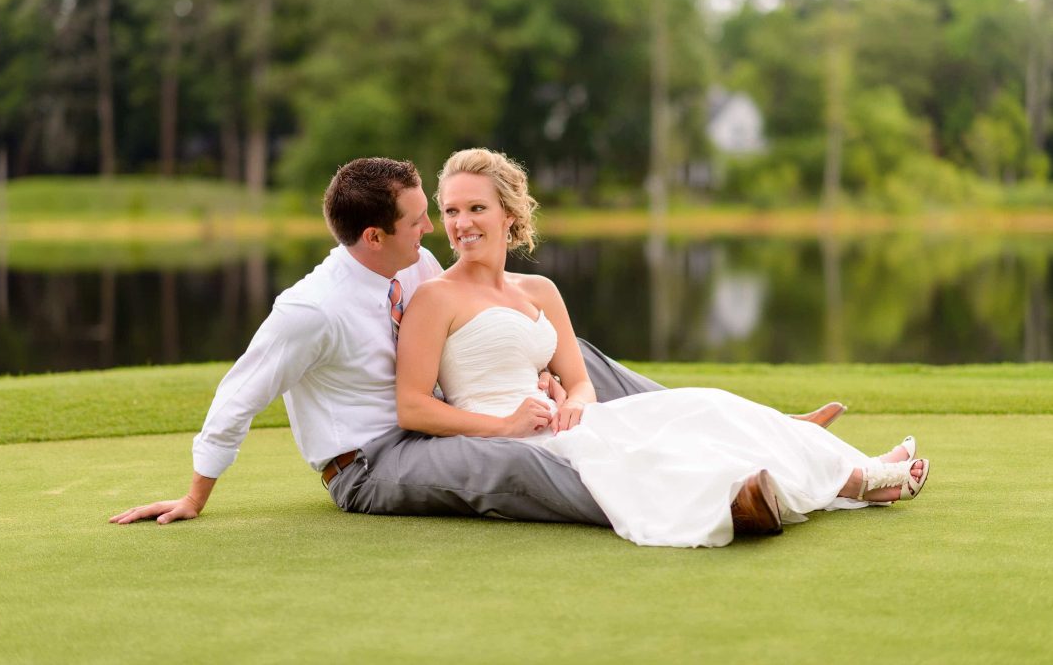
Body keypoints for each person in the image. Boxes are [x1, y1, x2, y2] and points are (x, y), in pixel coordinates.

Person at [109, 156, 844, 534]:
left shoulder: (415, 267)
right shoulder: (309, 311)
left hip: (446, 413)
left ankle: (760, 430)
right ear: (374, 237)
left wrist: (551, 381)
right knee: (509, 462)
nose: (432, 228)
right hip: (372, 461)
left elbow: (476, 340)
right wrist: (194, 497)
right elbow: (239, 393)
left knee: (573, 353)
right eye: (416, 218)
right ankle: (708, 501)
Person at [395, 148, 930, 547]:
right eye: (451, 211)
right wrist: (506, 426)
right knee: (667, 449)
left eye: (476, 209)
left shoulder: (540, 291)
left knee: (709, 405)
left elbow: (579, 379)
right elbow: (413, 406)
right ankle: (863, 481)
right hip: (514, 441)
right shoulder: (435, 298)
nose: (461, 224)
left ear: (509, 214)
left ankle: (859, 468)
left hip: (571, 422)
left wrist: (576, 403)